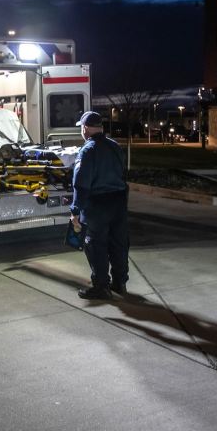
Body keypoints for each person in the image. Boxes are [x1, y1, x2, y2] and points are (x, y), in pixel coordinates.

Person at [70, 111, 130, 299]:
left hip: (98, 204)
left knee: (96, 245)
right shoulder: (115, 146)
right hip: (119, 201)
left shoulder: (88, 150)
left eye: (81, 127)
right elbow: (122, 173)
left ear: (85, 128)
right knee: (119, 244)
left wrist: (75, 211)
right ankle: (120, 284)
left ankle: (101, 287)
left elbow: (81, 184)